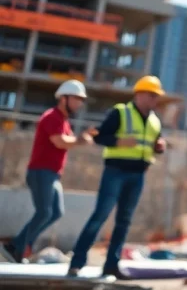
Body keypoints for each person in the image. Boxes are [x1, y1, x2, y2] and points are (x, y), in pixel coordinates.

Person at [68, 76, 167, 279]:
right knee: (100, 215)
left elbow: (154, 144)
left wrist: (159, 147)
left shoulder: (155, 121)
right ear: (139, 94)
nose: (155, 99)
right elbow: (99, 136)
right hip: (115, 172)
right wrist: (118, 141)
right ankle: (77, 262)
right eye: (152, 95)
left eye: (156, 96)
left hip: (138, 175)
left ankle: (111, 266)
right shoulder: (121, 112)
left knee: (124, 221)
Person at [4, 80, 93, 262]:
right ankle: (15, 247)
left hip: (52, 174)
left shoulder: (64, 121)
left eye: (81, 100)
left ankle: (21, 246)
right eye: (76, 98)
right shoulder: (52, 116)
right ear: (64, 98)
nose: (79, 103)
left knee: (55, 212)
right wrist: (80, 140)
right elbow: (59, 141)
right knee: (44, 212)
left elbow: (67, 142)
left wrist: (82, 138)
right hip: (41, 172)